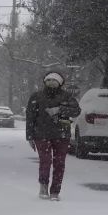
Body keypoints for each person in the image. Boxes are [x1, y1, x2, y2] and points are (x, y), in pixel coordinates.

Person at [26, 71, 81, 201]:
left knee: (59, 163)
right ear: (45, 81)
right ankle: (43, 187)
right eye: (49, 80)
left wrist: (60, 109)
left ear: (60, 82)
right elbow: (30, 117)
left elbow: (76, 111)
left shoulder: (67, 96)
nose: (51, 82)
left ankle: (55, 191)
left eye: (54, 80)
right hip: (41, 134)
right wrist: (29, 136)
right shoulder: (36, 96)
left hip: (61, 135)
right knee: (45, 162)